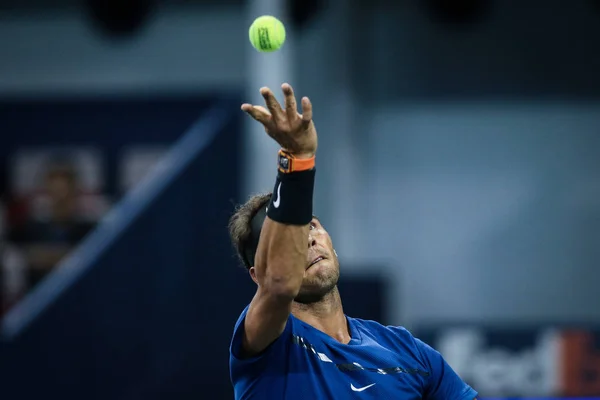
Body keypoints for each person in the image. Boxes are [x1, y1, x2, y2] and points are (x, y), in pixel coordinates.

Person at [228, 83, 478, 399]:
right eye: (289, 241)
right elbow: (279, 284)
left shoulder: (406, 351)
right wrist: (299, 159)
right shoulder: (267, 345)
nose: (307, 241)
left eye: (312, 226)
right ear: (257, 275)